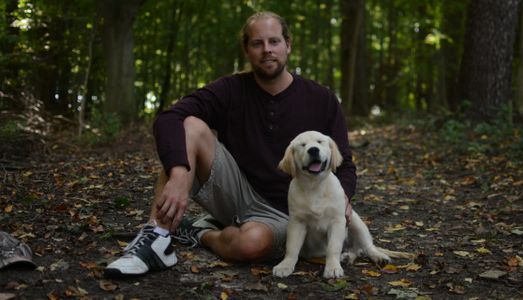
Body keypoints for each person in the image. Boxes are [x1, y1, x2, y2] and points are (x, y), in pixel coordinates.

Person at [104, 11, 356, 277]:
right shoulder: (230, 89)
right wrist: (178, 173)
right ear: (247, 50)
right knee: (190, 125)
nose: (267, 50)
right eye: (257, 43)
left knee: (249, 244)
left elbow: (346, 165)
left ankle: (200, 232)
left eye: (274, 41)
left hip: (288, 209)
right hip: (235, 191)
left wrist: (345, 198)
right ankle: (156, 238)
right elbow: (169, 118)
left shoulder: (322, 99)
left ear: (288, 45)